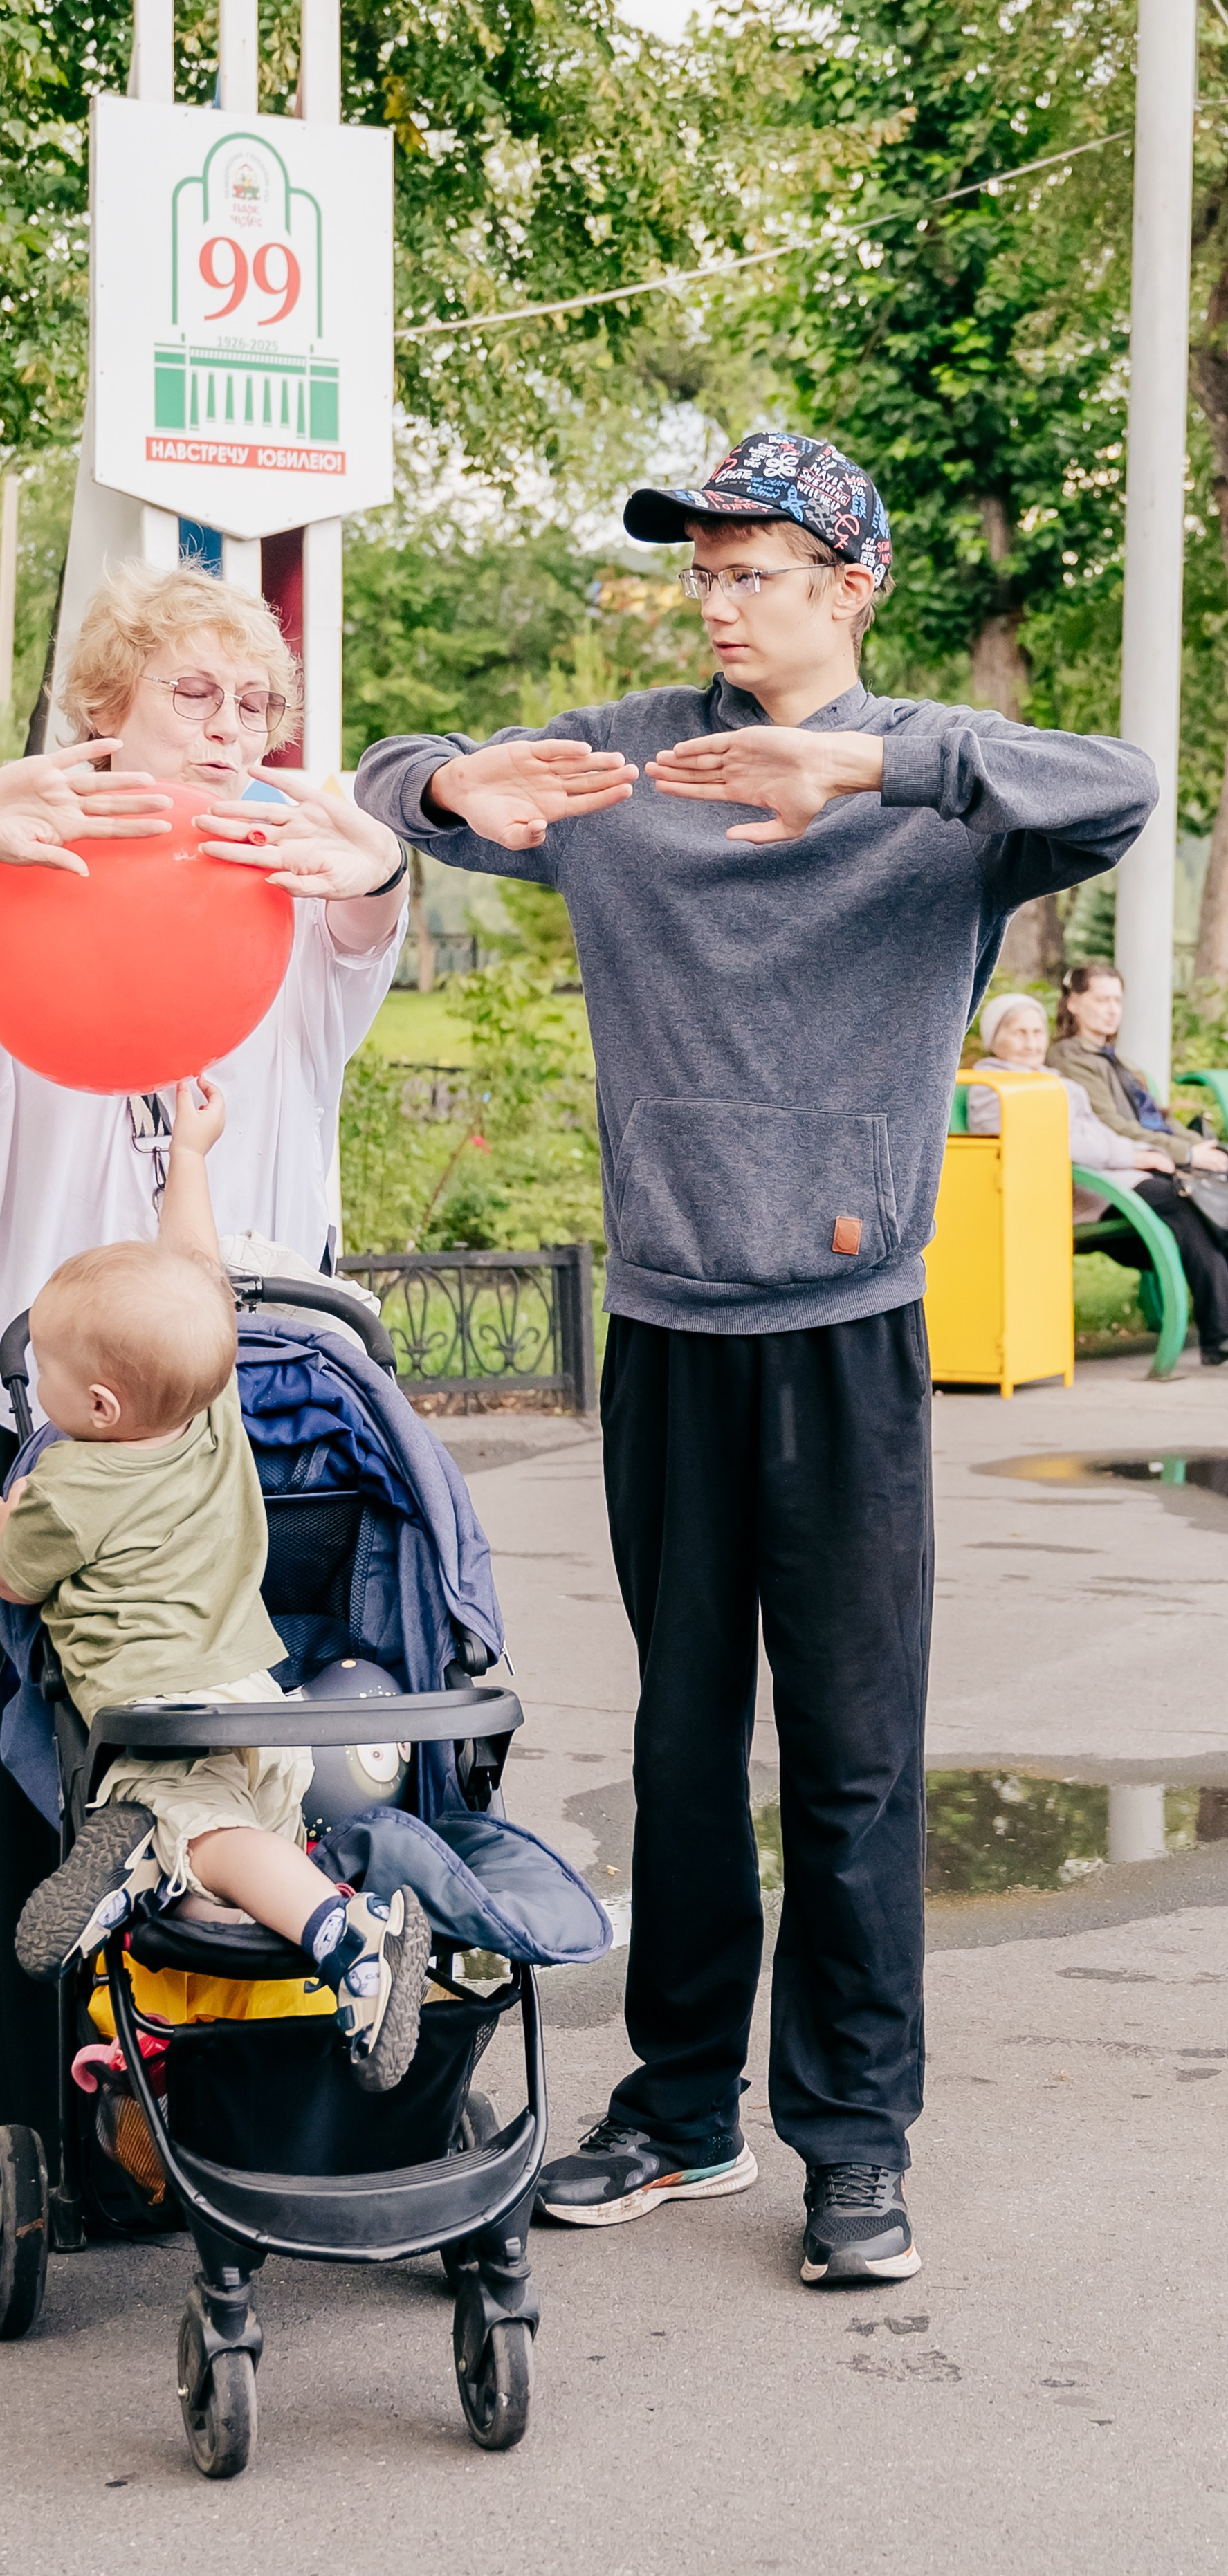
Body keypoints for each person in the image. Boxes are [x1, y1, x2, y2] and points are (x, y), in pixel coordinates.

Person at [354, 430, 1157, 2285]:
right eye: (699, 571)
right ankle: (682, 2109)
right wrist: (453, 781)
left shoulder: (951, 794)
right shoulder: (626, 764)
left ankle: (856, 2144)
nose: (715, 600)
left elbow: (1118, 792)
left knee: (859, 1763)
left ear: (851, 586)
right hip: (667, 1333)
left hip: (852, 1342)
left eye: (753, 569)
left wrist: (865, 759)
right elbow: (392, 787)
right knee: (681, 1747)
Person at [0, 560, 409, 2180]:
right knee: (36, 1761)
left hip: (254, 1410)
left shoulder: (285, 896)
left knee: (256, 1756)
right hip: (43, 1401)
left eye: (255, 701)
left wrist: (382, 854)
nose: (233, 725)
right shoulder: (11, 900)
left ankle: (274, 2116)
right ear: (96, 712)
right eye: (194, 692)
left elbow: (371, 906)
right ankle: (47, 2120)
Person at [0, 1076, 430, 2094]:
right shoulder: (215, 1416)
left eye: (46, 1377)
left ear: (94, 1403)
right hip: (262, 1710)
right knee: (221, 1846)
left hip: (160, 1722)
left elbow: (12, 1585)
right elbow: (196, 1272)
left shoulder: (66, 1482)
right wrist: (190, 1158)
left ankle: (350, 1934)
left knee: (202, 1830)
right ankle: (144, 1870)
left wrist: (1, 1531)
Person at [1037, 967, 1228, 1364]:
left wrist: (1200, 1147)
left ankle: (1220, 1332)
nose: (1112, 1011)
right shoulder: (1069, 1057)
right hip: (1113, 1173)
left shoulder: (1117, 1059)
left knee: (1208, 1199)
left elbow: (1156, 1118)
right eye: (1101, 1000)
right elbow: (1113, 1125)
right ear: (1073, 1003)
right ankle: (1220, 1335)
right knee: (1192, 1206)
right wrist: (1187, 1155)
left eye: (1117, 1001)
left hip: (1146, 1164)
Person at [966, 990, 1171, 1215]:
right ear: (993, 1039)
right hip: (1068, 1187)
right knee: (1170, 1197)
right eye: (1019, 1033)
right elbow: (1054, 1143)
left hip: (1098, 1174)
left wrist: (1144, 1151)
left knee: (1183, 1189)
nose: (1031, 1043)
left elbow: (1093, 1128)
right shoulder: (993, 1088)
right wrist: (1132, 1157)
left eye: (1037, 1033)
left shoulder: (1050, 1079)